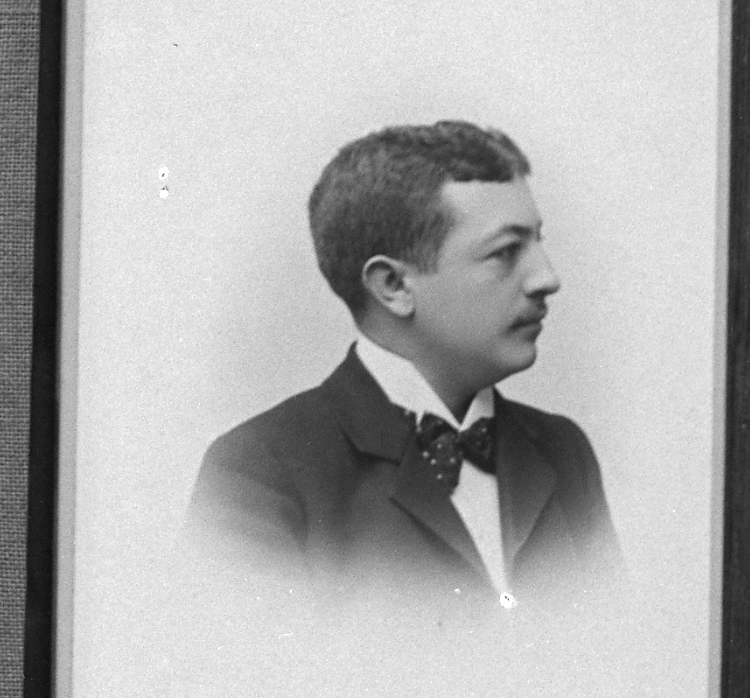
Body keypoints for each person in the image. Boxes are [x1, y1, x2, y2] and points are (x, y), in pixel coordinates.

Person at [187, 121, 619, 607]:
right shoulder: (260, 473)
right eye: (505, 252)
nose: (547, 278)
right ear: (392, 286)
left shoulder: (563, 451)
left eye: (538, 242)